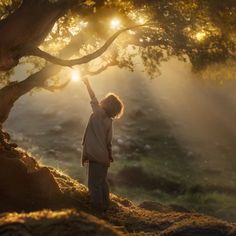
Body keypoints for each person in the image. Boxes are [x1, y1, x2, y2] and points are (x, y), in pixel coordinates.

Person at [81, 78, 124, 214]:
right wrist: (109, 155)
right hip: (104, 158)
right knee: (102, 182)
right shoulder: (109, 122)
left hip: (95, 156)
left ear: (105, 103)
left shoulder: (98, 113)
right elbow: (108, 141)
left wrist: (87, 84)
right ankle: (105, 205)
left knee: (94, 185)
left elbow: (93, 97)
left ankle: (97, 210)